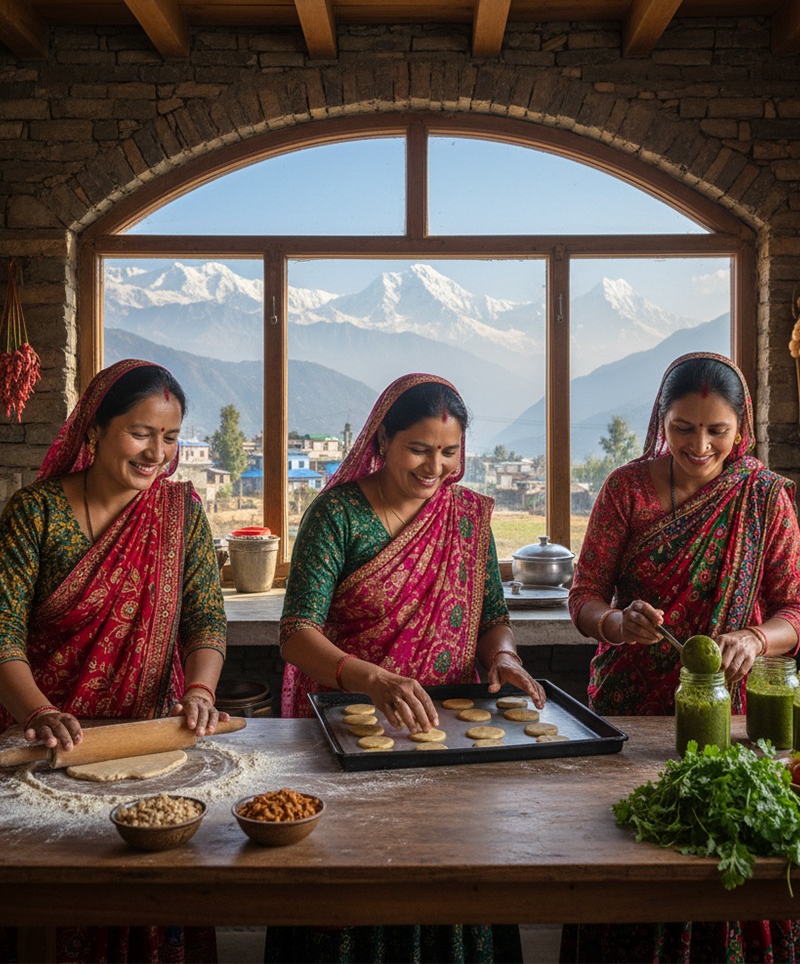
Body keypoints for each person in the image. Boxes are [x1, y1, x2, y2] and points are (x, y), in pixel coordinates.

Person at [270, 372, 545, 964]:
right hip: (347, 733)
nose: (435, 467)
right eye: (419, 449)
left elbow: (491, 615)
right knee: (351, 876)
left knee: (449, 868)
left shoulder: (468, 516)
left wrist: (503, 657)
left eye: (449, 452)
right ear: (381, 441)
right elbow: (296, 634)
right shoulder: (337, 514)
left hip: (442, 732)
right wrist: (373, 678)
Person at [563, 351, 800, 963]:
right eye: (683, 429)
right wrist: (616, 622)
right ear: (659, 423)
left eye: (716, 431)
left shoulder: (764, 498)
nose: (699, 446)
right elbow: (584, 594)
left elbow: (793, 611)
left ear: (740, 427)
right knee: (630, 849)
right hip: (630, 708)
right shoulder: (626, 489)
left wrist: (753, 639)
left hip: (732, 711)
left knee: (724, 846)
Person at [0, 358, 228, 964]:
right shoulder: (36, 513)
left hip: (151, 744)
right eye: (141, 433)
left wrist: (201, 693)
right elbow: (2, 635)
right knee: (57, 894)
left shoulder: (181, 515)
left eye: (171, 437)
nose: (157, 453)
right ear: (95, 431)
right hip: (45, 745)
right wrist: (40, 712)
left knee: (152, 900)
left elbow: (204, 620)